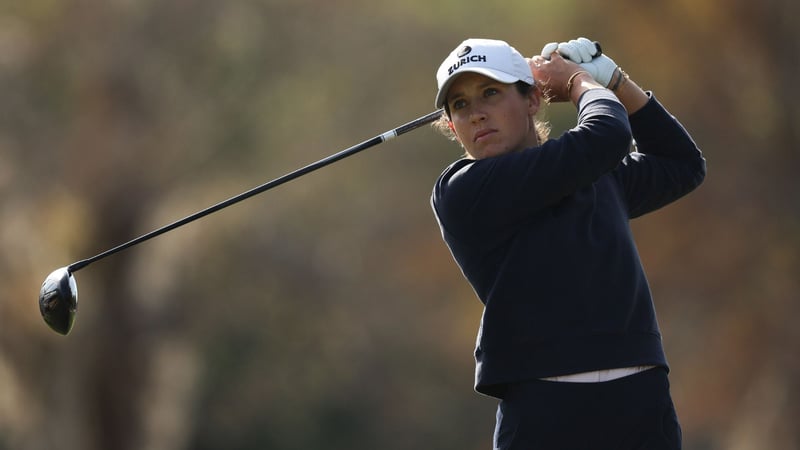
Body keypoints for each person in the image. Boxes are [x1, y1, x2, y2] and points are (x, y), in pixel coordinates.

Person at [430, 37, 706, 449]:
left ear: (533, 100)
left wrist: (617, 81)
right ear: (451, 126)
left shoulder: (592, 170)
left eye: (490, 92)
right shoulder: (462, 190)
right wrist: (582, 81)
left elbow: (681, 164)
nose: (477, 114)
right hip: (544, 408)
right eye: (461, 105)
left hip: (639, 400)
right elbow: (606, 135)